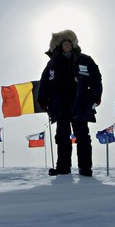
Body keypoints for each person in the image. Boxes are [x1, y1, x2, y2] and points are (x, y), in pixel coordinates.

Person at [38, 30, 102, 177]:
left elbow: (96, 78)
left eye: (69, 43)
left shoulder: (85, 60)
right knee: (62, 136)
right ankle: (63, 168)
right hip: (60, 106)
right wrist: (42, 100)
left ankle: (85, 168)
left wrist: (96, 96)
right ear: (60, 46)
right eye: (64, 43)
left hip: (80, 104)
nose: (67, 46)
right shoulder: (52, 64)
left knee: (83, 136)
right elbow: (44, 83)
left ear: (73, 45)